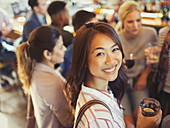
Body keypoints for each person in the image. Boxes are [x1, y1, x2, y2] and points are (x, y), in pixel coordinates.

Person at [64, 22, 162, 128]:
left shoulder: (104, 88)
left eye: (115, 49)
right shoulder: (97, 119)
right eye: (100, 53)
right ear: (83, 60)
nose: (111, 60)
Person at [16, 26, 73, 128]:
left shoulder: (36, 68)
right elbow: (69, 121)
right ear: (47, 54)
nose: (65, 49)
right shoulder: (52, 83)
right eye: (60, 47)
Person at [117, 1, 158, 127]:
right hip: (121, 82)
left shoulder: (150, 33)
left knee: (143, 117)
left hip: (139, 82)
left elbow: (152, 61)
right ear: (123, 21)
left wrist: (145, 75)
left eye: (138, 20)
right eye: (130, 22)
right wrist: (119, 65)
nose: (135, 25)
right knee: (129, 124)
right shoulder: (116, 37)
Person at [60, 10, 97, 78]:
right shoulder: (71, 53)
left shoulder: (92, 44)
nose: (97, 30)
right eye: (93, 27)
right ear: (80, 29)